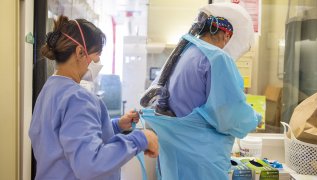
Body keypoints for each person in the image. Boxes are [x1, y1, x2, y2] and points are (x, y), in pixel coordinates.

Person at [29, 15, 158, 180]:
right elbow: (91, 164)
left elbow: (67, 137)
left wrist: (117, 125)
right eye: (97, 54)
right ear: (80, 52)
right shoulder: (78, 98)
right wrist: (141, 138)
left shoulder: (50, 89)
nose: (98, 60)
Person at [141, 3, 261, 180]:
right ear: (226, 35)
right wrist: (253, 118)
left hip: (176, 158)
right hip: (201, 159)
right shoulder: (217, 58)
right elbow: (228, 115)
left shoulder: (186, 53)